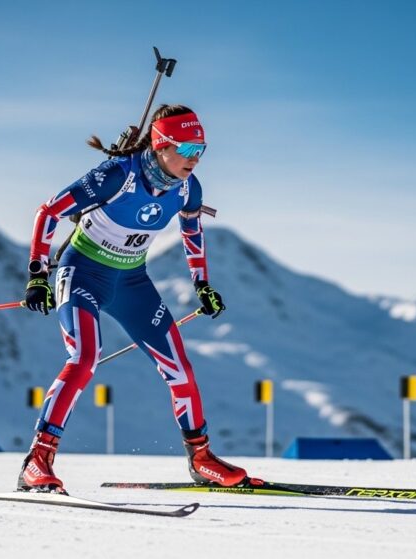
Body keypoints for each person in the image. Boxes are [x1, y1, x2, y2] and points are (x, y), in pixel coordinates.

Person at [18, 104, 249, 494]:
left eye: (201, 150)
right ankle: (37, 462)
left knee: (180, 367)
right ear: (162, 146)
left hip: (131, 280)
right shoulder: (117, 176)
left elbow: (192, 234)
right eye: (188, 150)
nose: (195, 160)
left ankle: (201, 458)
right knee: (84, 358)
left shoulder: (189, 188)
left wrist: (202, 285)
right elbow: (49, 212)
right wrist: (38, 276)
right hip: (83, 273)